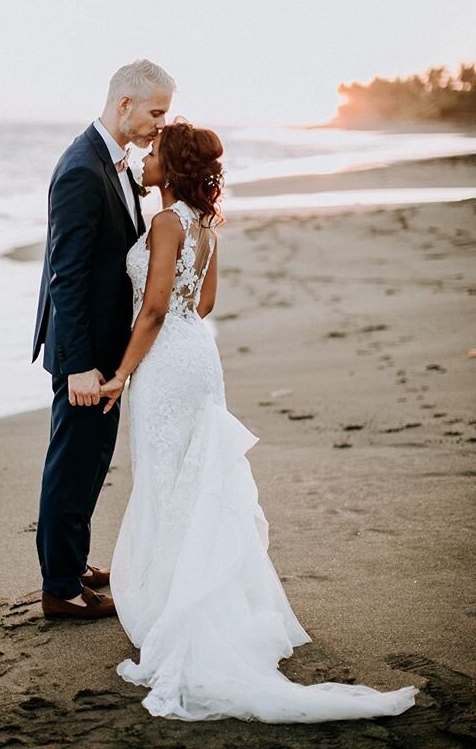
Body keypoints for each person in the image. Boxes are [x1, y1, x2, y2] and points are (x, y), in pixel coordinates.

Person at [99, 120, 419, 722]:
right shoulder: (205, 224)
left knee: (168, 480)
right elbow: (205, 303)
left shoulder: (166, 223)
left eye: (153, 154)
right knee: (197, 481)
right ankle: (195, 594)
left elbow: (157, 309)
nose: (143, 160)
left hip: (167, 362)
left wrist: (120, 373)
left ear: (171, 167)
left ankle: (174, 607)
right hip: (200, 354)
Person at [32, 60, 175, 619]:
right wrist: (81, 366)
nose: (159, 125)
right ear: (124, 105)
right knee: (72, 465)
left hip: (106, 350)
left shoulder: (112, 162)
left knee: (91, 463)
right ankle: (61, 590)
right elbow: (65, 275)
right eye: (155, 112)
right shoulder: (80, 170)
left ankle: (73, 559)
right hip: (84, 355)